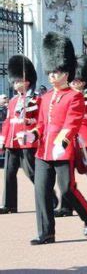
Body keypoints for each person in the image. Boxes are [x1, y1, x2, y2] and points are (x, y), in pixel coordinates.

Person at [29, 32, 87, 245]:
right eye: (50, 73)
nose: (52, 77)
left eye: (56, 73)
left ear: (66, 73)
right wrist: (32, 133)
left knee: (66, 190)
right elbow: (41, 124)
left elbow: (72, 123)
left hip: (62, 149)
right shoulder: (46, 97)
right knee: (41, 191)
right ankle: (46, 232)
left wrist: (62, 142)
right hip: (43, 150)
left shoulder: (74, 96)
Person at [54, 56, 87, 217]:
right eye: (73, 81)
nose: (74, 84)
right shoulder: (66, 98)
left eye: (77, 81)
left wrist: (79, 116)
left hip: (85, 140)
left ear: (83, 82)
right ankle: (65, 207)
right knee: (68, 175)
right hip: (69, 141)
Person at [0, 55, 43, 214]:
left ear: (27, 81)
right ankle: (9, 204)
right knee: (8, 174)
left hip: (26, 141)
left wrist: (29, 122)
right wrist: (2, 139)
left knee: (31, 172)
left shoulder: (36, 100)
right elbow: (8, 122)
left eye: (18, 81)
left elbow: (40, 120)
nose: (15, 84)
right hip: (12, 141)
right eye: (15, 81)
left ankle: (50, 197)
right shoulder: (12, 101)